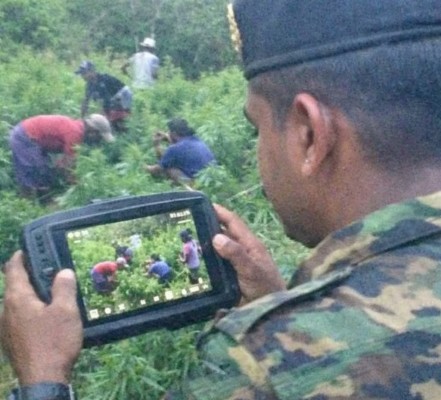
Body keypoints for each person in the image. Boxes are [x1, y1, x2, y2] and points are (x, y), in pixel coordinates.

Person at [4, 0, 441, 399]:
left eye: (256, 129)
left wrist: (43, 378)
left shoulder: (254, 367)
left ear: (308, 134)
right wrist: (280, 304)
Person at [9, 114, 114, 198]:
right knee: (36, 174)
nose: (98, 141)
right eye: (99, 137)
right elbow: (68, 166)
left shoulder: (76, 129)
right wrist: (76, 186)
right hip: (25, 136)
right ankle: (34, 205)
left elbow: (63, 163)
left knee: (43, 174)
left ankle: (33, 201)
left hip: (28, 135)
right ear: (92, 131)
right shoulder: (75, 133)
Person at [145, 118, 216, 184]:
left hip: (195, 184)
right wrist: (168, 138)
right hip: (210, 180)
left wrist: (144, 167)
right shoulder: (197, 140)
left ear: (174, 133)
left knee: (171, 169)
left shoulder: (175, 149)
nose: (167, 133)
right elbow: (180, 147)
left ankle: (187, 191)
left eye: (169, 132)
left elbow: (158, 169)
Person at [75, 60, 133, 132]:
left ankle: (123, 126)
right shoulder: (90, 85)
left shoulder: (104, 79)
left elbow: (108, 101)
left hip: (123, 94)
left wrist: (103, 116)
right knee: (108, 116)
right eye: (81, 74)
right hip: (113, 98)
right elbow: (86, 101)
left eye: (84, 73)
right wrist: (82, 118)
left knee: (117, 117)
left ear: (92, 71)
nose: (83, 76)